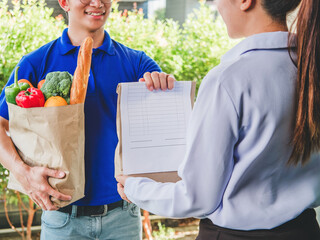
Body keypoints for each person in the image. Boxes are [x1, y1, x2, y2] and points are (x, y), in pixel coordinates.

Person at [117, 0, 320, 239]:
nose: (216, 5)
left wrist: (133, 187)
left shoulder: (228, 80)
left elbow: (197, 199)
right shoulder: (310, 68)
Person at [0, 0, 175, 239]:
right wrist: (23, 172)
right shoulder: (36, 62)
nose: (97, 3)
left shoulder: (138, 64)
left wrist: (163, 87)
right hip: (62, 218)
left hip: (123, 218)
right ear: (64, 2)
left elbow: (166, 129)